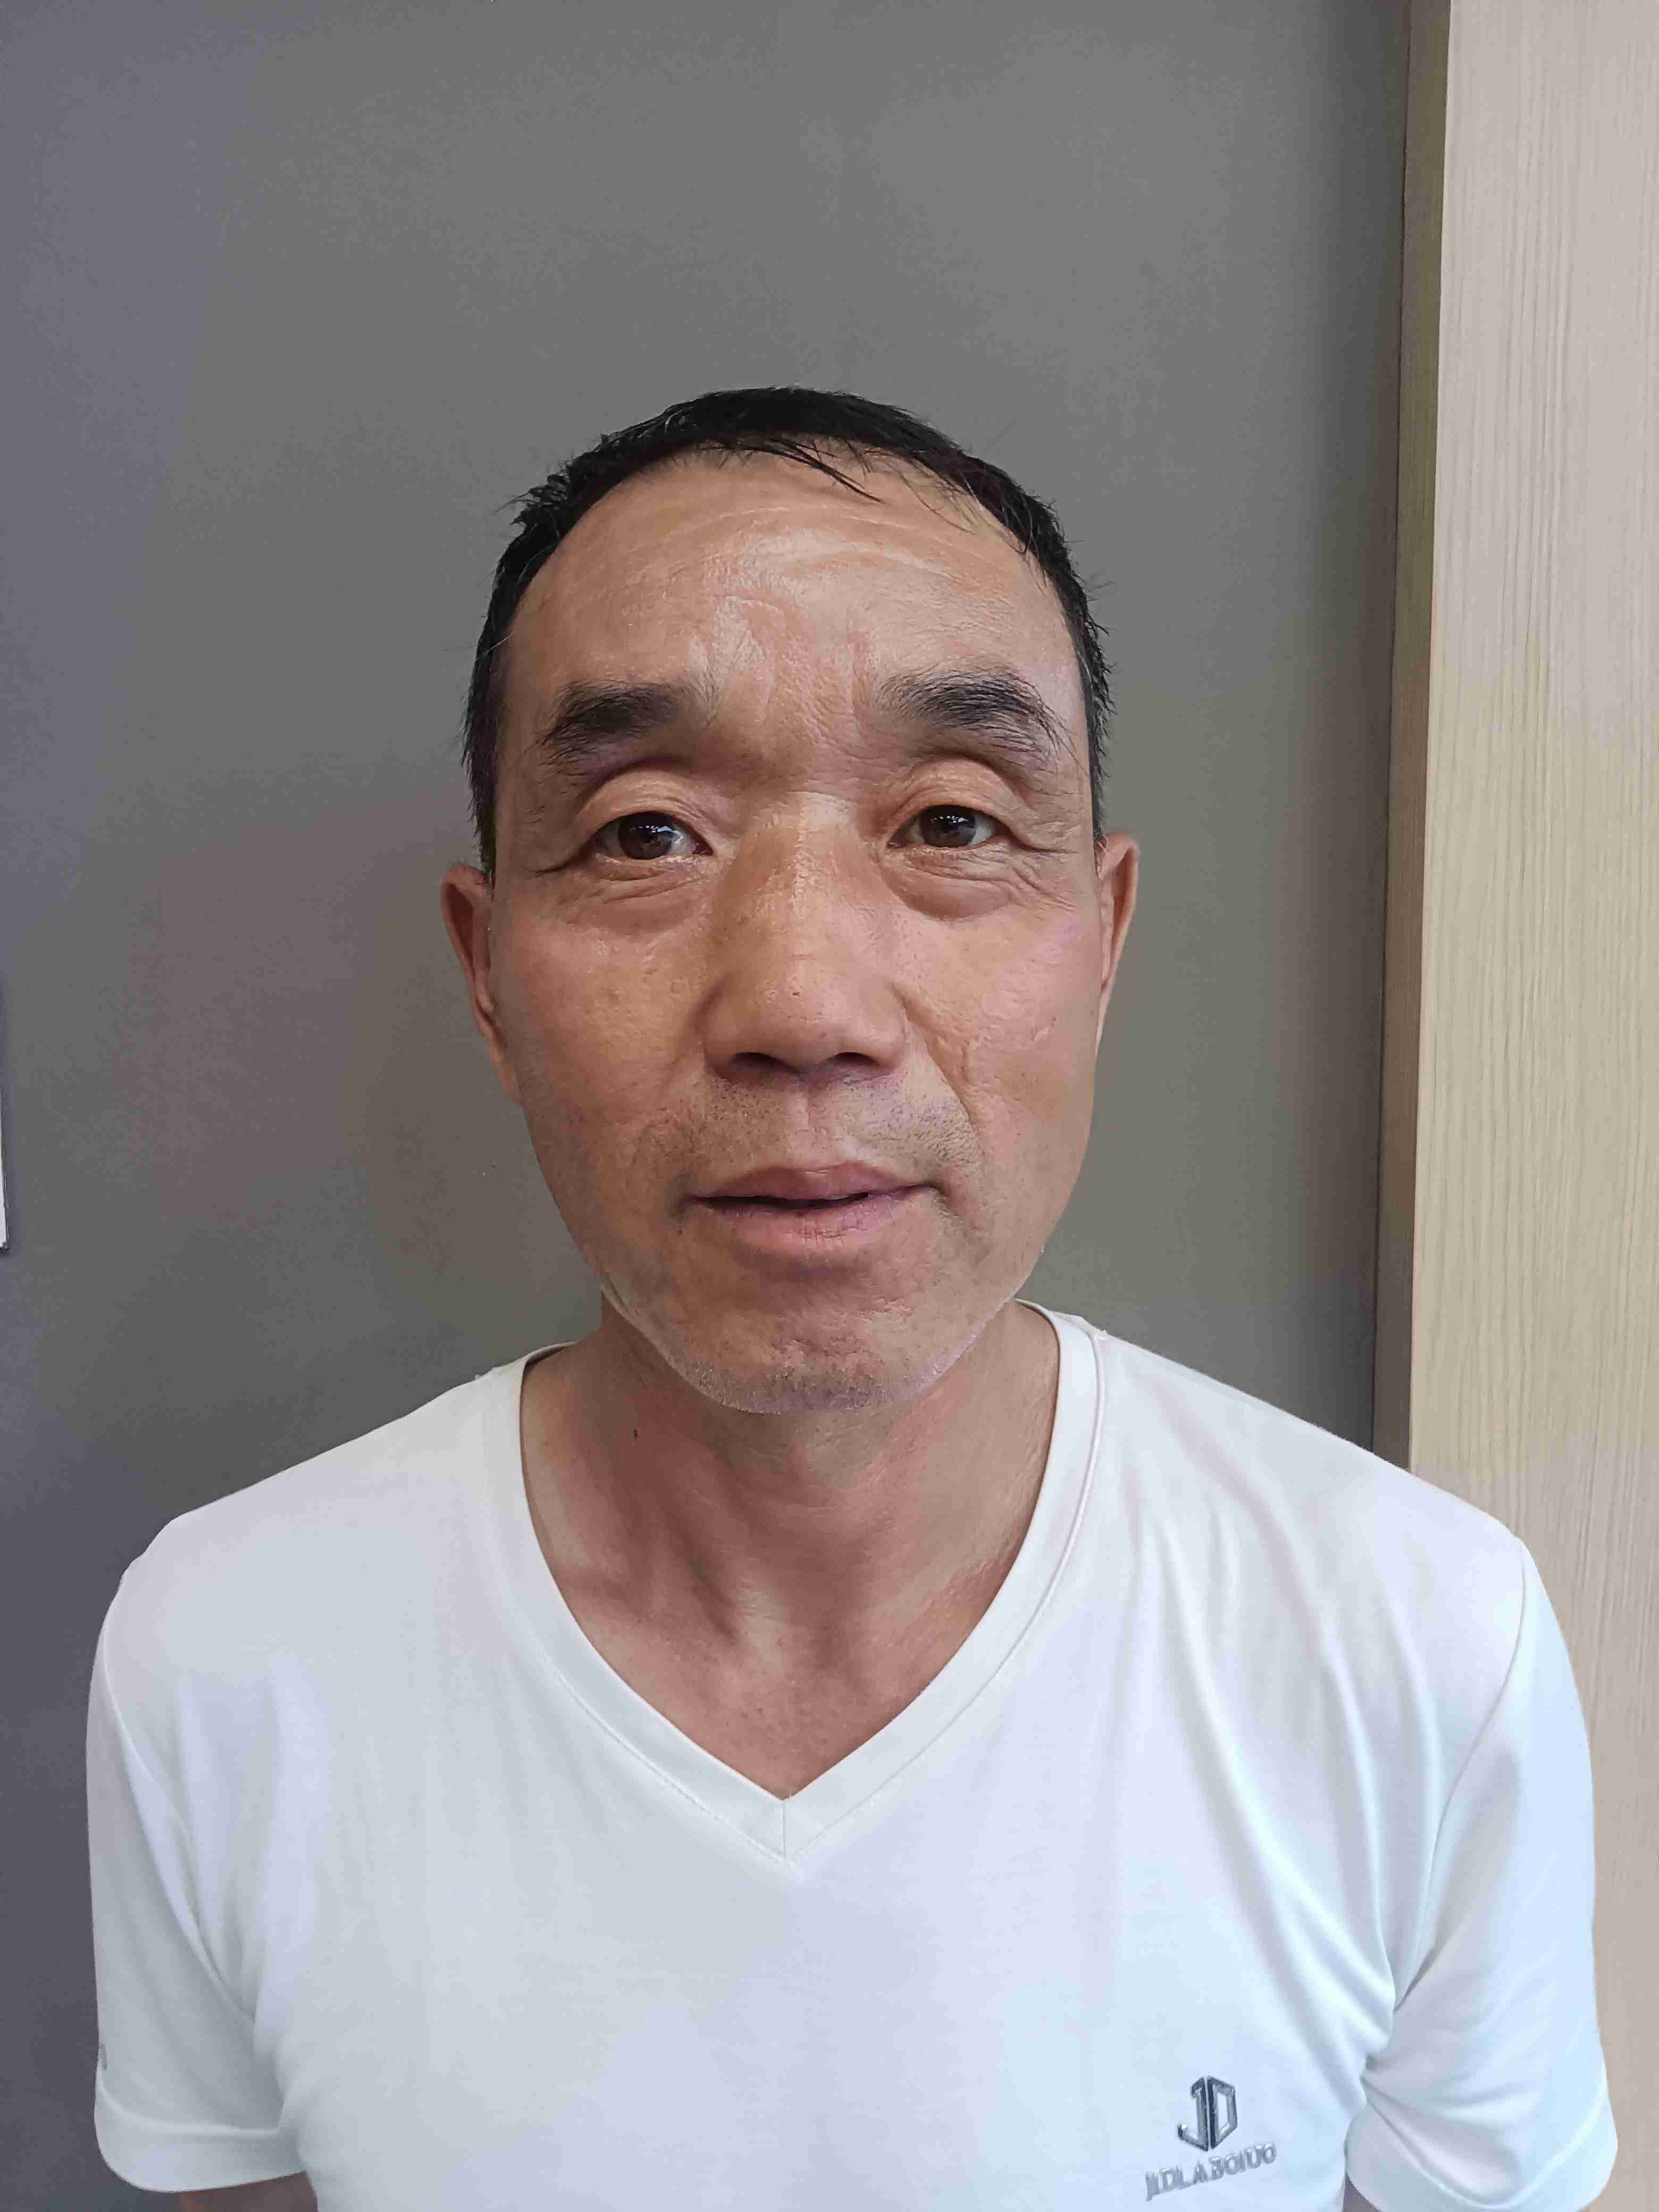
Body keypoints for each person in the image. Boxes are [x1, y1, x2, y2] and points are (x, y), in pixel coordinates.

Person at [86, 387, 1616, 2212]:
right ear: (489, 975)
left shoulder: (1416, 1647)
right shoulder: (229, 1659)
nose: (804, 1003)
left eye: (954, 820)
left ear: (1103, 939)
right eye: (646, 834)